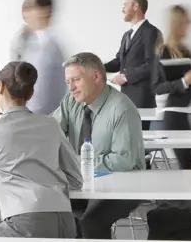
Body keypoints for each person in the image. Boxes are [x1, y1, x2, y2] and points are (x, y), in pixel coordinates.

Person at [0, 61, 82, 238]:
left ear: (0, 87)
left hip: (25, 224)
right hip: (66, 223)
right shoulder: (51, 124)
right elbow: (76, 179)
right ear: (31, 93)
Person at [52, 52, 144, 239]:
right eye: (68, 82)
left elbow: (123, 161)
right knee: (51, 214)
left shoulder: (122, 109)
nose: (71, 88)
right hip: (84, 182)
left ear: (96, 76)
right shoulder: (71, 101)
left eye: (76, 80)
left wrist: (77, 164)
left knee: (91, 223)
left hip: (124, 183)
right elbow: (50, 131)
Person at [153, 5, 191, 170]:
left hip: (190, 114)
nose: (189, 26)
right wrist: (183, 82)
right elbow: (158, 87)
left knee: (190, 166)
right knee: (187, 166)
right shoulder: (164, 51)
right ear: (177, 24)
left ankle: (188, 195)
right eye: (186, 23)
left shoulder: (187, 50)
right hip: (174, 117)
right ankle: (183, 196)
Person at [103, 0, 161, 131]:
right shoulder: (126, 35)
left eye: (125, 4)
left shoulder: (152, 32)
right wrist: (96, 66)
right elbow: (119, 61)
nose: (122, 9)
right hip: (126, 100)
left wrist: (126, 76)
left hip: (142, 102)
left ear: (135, 6)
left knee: (139, 145)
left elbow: (152, 65)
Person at [10, 0, 67, 115]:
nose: (25, 13)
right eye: (24, 9)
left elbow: (43, 97)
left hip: (41, 122)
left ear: (46, 10)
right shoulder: (30, 43)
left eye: (30, 8)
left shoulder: (52, 48)